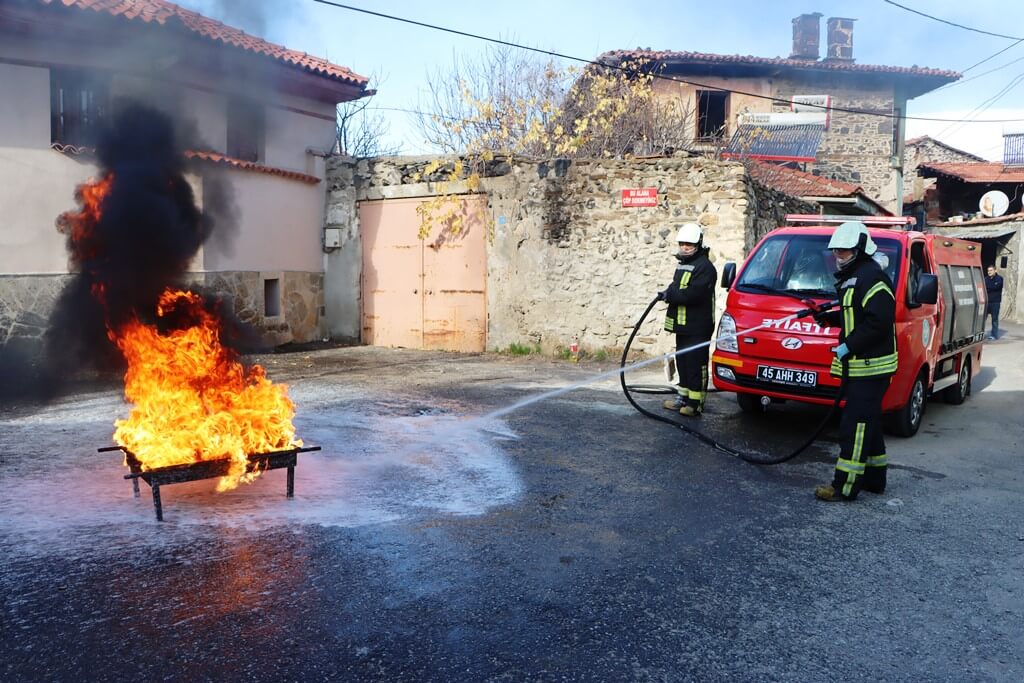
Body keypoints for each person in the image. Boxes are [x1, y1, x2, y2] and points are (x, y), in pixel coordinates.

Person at [812, 221, 897, 502]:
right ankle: (875, 479)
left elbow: (878, 323)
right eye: (836, 252)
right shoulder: (857, 276)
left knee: (855, 426)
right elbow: (857, 315)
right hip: (862, 366)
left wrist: (848, 346)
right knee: (868, 421)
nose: (839, 257)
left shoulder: (872, 278)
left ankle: (844, 487)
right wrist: (828, 318)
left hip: (872, 367)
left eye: (845, 252)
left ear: (860, 250)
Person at [658, 223, 717, 417]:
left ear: (699, 243)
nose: (684, 247)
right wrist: (667, 292)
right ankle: (682, 398)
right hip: (683, 326)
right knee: (682, 361)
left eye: (689, 244)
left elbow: (693, 294)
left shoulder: (706, 268)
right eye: (682, 243)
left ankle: (695, 402)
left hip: (698, 326)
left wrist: (671, 295)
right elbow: (677, 286)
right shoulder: (683, 263)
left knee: (696, 363)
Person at [984, 264, 1004, 340]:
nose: (989, 272)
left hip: (995, 302)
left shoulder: (1000, 279)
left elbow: (997, 287)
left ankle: (994, 335)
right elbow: (984, 287)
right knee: (982, 320)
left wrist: (988, 287)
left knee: (994, 319)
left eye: (991, 270)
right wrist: (990, 287)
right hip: (986, 302)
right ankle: (980, 334)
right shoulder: (985, 279)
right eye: (988, 271)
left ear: (995, 270)